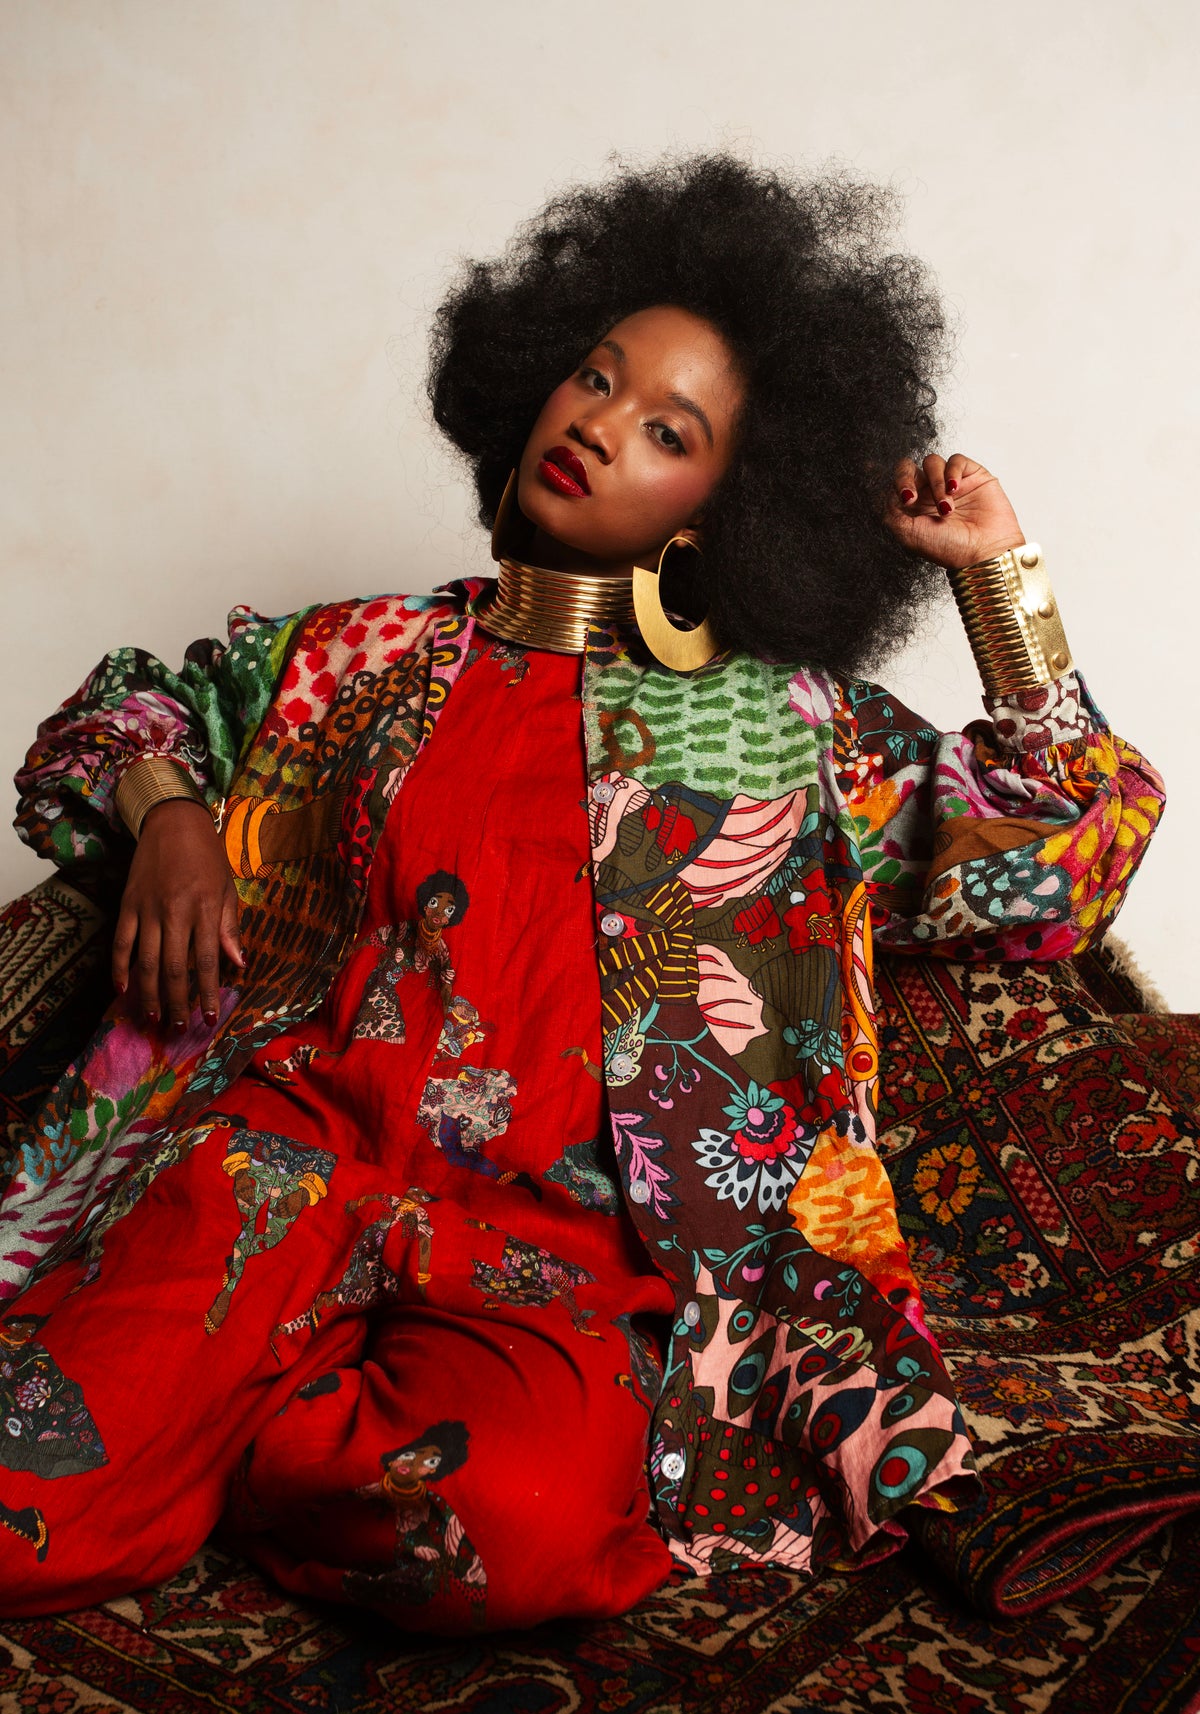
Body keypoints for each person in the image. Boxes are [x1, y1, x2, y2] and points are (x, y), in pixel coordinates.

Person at [0, 156, 1163, 1630]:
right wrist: (169, 808)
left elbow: (1068, 850)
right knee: (23, 1515)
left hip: (551, 1254)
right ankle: (195, 1393)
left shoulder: (787, 732)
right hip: (270, 1179)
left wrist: (1001, 577)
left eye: (669, 430)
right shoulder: (342, 657)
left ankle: (241, 1425)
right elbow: (113, 723)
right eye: (597, 380)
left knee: (511, 1534)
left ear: (730, 505)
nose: (601, 426)